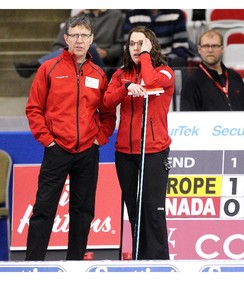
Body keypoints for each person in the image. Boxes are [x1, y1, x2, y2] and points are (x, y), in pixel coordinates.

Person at [24, 14, 117, 261]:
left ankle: (75, 265)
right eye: (74, 35)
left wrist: (100, 139)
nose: (79, 40)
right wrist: (49, 141)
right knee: (44, 209)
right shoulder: (49, 69)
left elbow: (108, 113)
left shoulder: (99, 73)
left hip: (88, 151)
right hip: (57, 150)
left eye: (84, 36)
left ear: (91, 40)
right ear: (66, 39)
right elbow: (34, 109)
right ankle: (33, 265)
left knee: (83, 212)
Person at [103, 25, 174, 260]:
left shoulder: (165, 72)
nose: (136, 48)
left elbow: (151, 80)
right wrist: (125, 87)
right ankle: (139, 262)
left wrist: (145, 56)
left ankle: (160, 264)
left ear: (151, 46)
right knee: (134, 212)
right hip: (125, 153)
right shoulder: (120, 74)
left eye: (141, 43)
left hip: (153, 152)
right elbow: (106, 102)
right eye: (132, 43)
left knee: (153, 211)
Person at [15, 9, 124, 80]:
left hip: (99, 61)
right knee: (81, 45)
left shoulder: (116, 15)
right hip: (73, 61)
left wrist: (106, 53)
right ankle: (39, 65)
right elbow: (57, 46)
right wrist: (69, 52)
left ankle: (37, 65)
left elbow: (120, 47)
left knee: (87, 45)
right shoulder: (77, 18)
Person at [179, 29, 244, 111]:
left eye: (214, 46)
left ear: (222, 49)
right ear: (199, 49)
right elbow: (187, 118)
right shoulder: (191, 82)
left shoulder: (235, 77)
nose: (210, 50)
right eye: (206, 46)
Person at [123, 9, 192, 68]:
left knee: (178, 61)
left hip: (167, 59)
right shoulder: (132, 16)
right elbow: (127, 45)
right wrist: (143, 60)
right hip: (140, 57)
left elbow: (181, 46)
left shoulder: (176, 14)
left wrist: (161, 62)